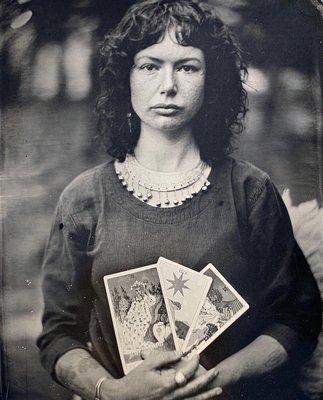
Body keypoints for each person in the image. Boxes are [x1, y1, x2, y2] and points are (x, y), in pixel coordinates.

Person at [37, 1, 322, 399]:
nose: (167, 85)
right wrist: (112, 392)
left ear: (212, 79)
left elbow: (297, 318)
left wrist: (217, 378)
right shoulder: (83, 199)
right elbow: (59, 334)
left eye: (187, 67)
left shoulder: (250, 191)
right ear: (127, 78)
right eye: (149, 66)